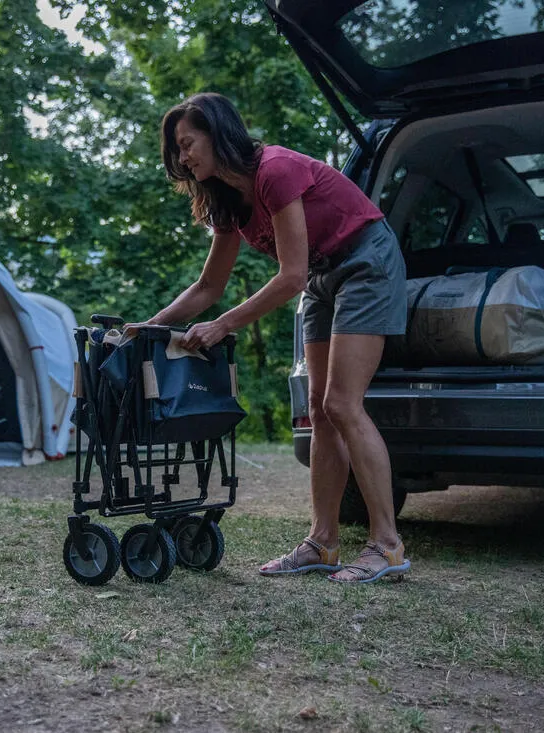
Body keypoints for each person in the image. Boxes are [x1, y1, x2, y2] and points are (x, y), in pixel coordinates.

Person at [131, 92, 410, 583]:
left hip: (366, 261)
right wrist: (150, 328)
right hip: (324, 275)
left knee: (343, 404)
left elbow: (290, 277)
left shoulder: (275, 170)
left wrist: (224, 325)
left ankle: (386, 546)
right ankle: (322, 543)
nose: (182, 156)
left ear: (218, 134)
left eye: (188, 142)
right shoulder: (225, 200)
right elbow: (208, 286)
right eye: (176, 149)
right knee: (320, 411)